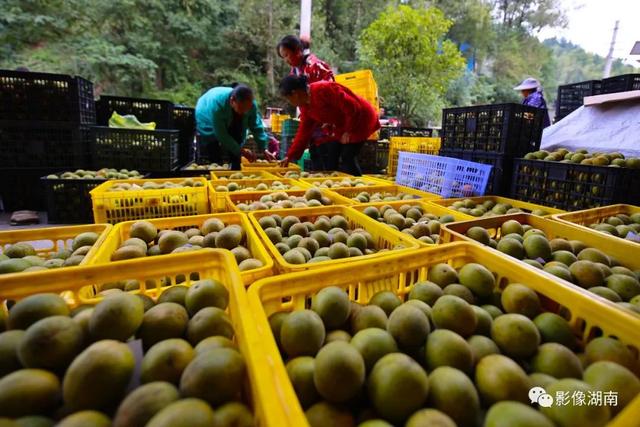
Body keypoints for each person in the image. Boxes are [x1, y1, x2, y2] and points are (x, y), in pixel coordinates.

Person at [278, 75, 380, 176]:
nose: (289, 102)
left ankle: (359, 185)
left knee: (347, 156)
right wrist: (290, 156)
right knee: (333, 153)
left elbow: (352, 107)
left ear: (295, 94)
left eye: (288, 98)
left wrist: (348, 131)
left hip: (360, 118)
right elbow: (304, 131)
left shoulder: (323, 89)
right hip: (343, 123)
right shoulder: (305, 107)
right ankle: (341, 184)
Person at [277, 35, 335, 170]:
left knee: (329, 168)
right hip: (312, 127)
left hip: (328, 127)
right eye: (283, 57)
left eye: (287, 55)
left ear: (297, 50)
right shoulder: (294, 72)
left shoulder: (315, 66)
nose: (285, 60)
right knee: (318, 166)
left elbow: (331, 94)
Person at [195, 84, 274, 169]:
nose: (244, 112)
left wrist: (264, 148)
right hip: (205, 114)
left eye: (246, 109)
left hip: (228, 113)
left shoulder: (250, 105)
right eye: (241, 108)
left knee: (237, 137)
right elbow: (222, 134)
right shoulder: (217, 105)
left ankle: (234, 167)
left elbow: (256, 126)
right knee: (212, 145)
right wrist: (242, 152)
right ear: (232, 101)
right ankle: (215, 166)